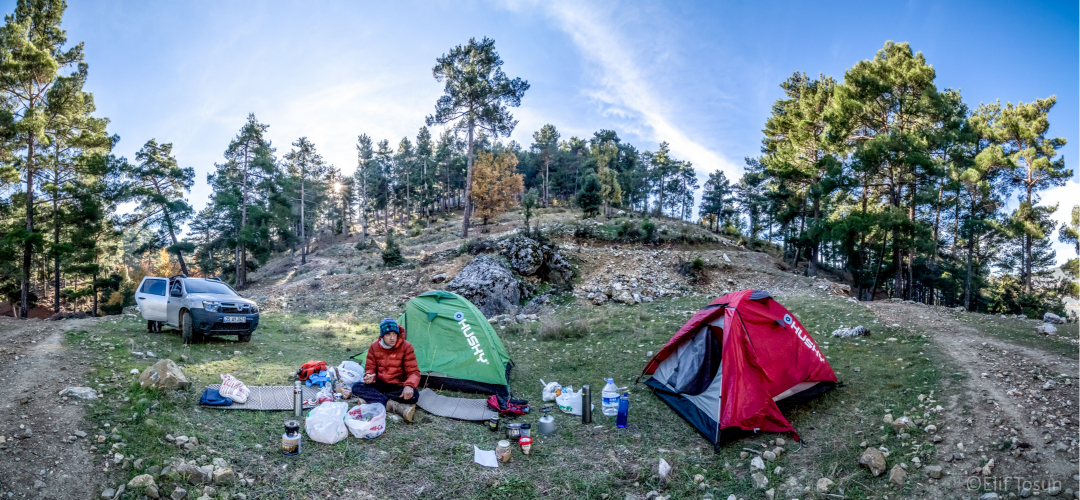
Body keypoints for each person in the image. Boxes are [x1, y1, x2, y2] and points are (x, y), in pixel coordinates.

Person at [351, 318, 420, 422]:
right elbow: (370, 368)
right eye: (388, 334)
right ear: (383, 336)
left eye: (394, 334)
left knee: (414, 395)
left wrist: (409, 385)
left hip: (398, 385)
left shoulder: (406, 347)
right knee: (356, 387)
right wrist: (369, 375)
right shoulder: (374, 346)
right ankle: (394, 406)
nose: (392, 338)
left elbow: (414, 372)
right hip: (381, 384)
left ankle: (374, 400)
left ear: (397, 334)